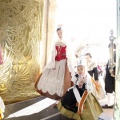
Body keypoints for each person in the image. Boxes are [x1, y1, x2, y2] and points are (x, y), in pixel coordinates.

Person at [35, 27, 74, 100]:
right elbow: (53, 52)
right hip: (56, 60)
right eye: (58, 33)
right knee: (48, 72)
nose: (59, 34)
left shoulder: (67, 41)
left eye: (61, 33)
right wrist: (52, 62)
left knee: (63, 76)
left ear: (64, 32)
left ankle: (60, 94)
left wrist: (68, 62)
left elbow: (70, 53)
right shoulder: (56, 41)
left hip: (64, 61)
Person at [102, 43, 116, 108]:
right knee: (109, 90)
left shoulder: (115, 55)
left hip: (112, 76)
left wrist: (114, 73)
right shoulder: (112, 56)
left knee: (111, 89)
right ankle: (110, 103)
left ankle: (111, 104)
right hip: (109, 77)